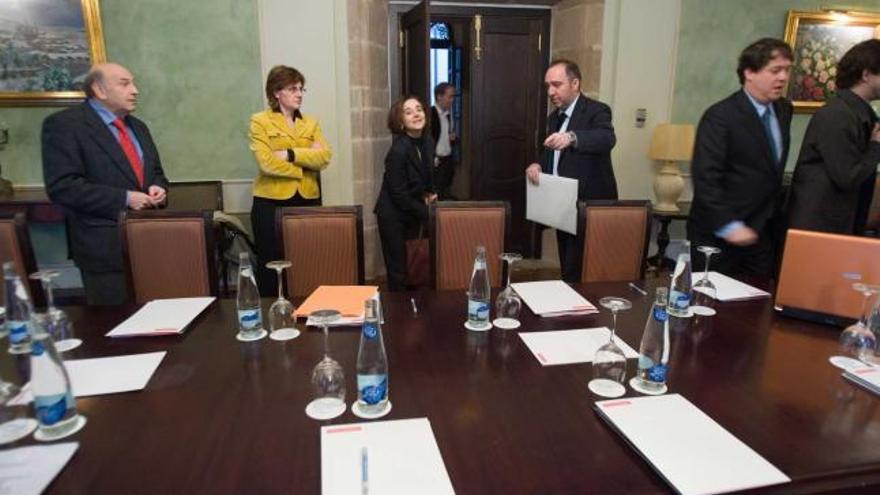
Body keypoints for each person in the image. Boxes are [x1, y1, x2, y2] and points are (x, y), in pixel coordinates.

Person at [42, 63, 168, 305]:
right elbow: (63, 186)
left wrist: (158, 187)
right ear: (99, 89)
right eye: (125, 83)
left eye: (133, 82)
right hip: (103, 250)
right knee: (112, 329)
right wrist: (126, 198)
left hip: (147, 244)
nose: (135, 90)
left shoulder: (138, 127)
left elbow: (157, 173)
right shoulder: (65, 125)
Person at [687, 38, 794, 278]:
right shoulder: (721, 116)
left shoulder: (784, 110)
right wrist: (730, 226)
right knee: (713, 306)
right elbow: (706, 176)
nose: (783, 77)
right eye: (775, 70)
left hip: (762, 231)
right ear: (750, 72)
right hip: (719, 232)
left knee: (757, 304)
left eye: (787, 70)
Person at [525, 59, 617, 283]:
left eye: (556, 85)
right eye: (548, 86)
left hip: (590, 205)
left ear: (575, 83)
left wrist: (572, 137)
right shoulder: (553, 118)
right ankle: (569, 311)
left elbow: (607, 138)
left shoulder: (597, 110)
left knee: (586, 271)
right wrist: (538, 164)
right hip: (563, 205)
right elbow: (552, 153)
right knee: (568, 267)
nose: (550, 91)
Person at [249, 65, 332, 296]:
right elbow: (265, 163)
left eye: (301, 89)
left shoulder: (311, 123)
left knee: (307, 259)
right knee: (270, 264)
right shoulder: (260, 121)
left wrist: (290, 154)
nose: (299, 94)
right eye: (293, 89)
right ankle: (270, 311)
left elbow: (325, 157)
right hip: (269, 203)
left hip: (307, 200)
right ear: (276, 92)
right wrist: (304, 165)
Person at [788, 38, 880, 235]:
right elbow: (847, 177)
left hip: (836, 224)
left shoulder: (857, 113)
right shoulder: (838, 115)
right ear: (866, 75)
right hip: (818, 228)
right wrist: (875, 147)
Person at [375, 95, 437, 291]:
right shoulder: (398, 151)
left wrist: (429, 193)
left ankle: (418, 316)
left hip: (411, 210)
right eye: (408, 112)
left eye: (418, 109)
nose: (416, 114)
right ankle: (398, 318)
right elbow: (399, 195)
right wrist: (429, 214)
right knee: (399, 272)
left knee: (416, 269)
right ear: (400, 122)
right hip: (393, 216)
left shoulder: (427, 141)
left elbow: (425, 176)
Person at [430, 82, 458, 200]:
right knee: (436, 195)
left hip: (447, 160)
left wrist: (453, 139)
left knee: (445, 192)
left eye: (453, 97)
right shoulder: (430, 113)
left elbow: (445, 137)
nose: (452, 100)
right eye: (450, 96)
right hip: (436, 161)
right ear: (439, 97)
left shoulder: (448, 115)